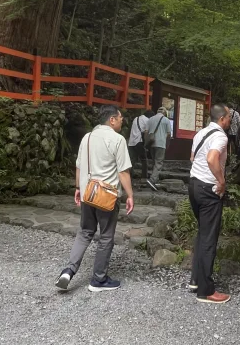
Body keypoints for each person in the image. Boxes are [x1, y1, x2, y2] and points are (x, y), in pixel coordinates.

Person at [56, 105, 134, 292]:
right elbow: (123, 171)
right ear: (112, 120)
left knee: (84, 232)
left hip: (87, 193)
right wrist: (130, 195)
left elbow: (79, 166)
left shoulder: (87, 137)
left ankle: (68, 270)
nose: (122, 120)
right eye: (120, 117)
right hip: (107, 197)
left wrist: (77, 187)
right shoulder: (118, 139)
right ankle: (98, 280)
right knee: (106, 236)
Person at [188, 103, 232, 304]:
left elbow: (192, 157)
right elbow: (211, 158)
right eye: (229, 116)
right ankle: (206, 291)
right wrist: (221, 180)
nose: (230, 120)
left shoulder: (201, 133)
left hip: (194, 185)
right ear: (222, 118)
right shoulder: (221, 136)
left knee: (202, 233)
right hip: (209, 189)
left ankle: (196, 280)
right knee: (208, 239)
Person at [144, 106, 172, 191]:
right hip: (161, 143)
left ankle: (155, 179)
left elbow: (146, 132)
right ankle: (152, 180)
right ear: (164, 113)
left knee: (154, 162)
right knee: (158, 162)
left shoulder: (150, 119)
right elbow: (168, 133)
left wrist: (146, 143)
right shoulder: (166, 120)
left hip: (152, 143)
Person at [127, 109, 151, 184]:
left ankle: (128, 177)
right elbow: (147, 132)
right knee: (144, 160)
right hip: (139, 141)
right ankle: (144, 177)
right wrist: (146, 144)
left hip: (131, 142)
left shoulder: (136, 118)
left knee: (131, 161)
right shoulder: (147, 120)